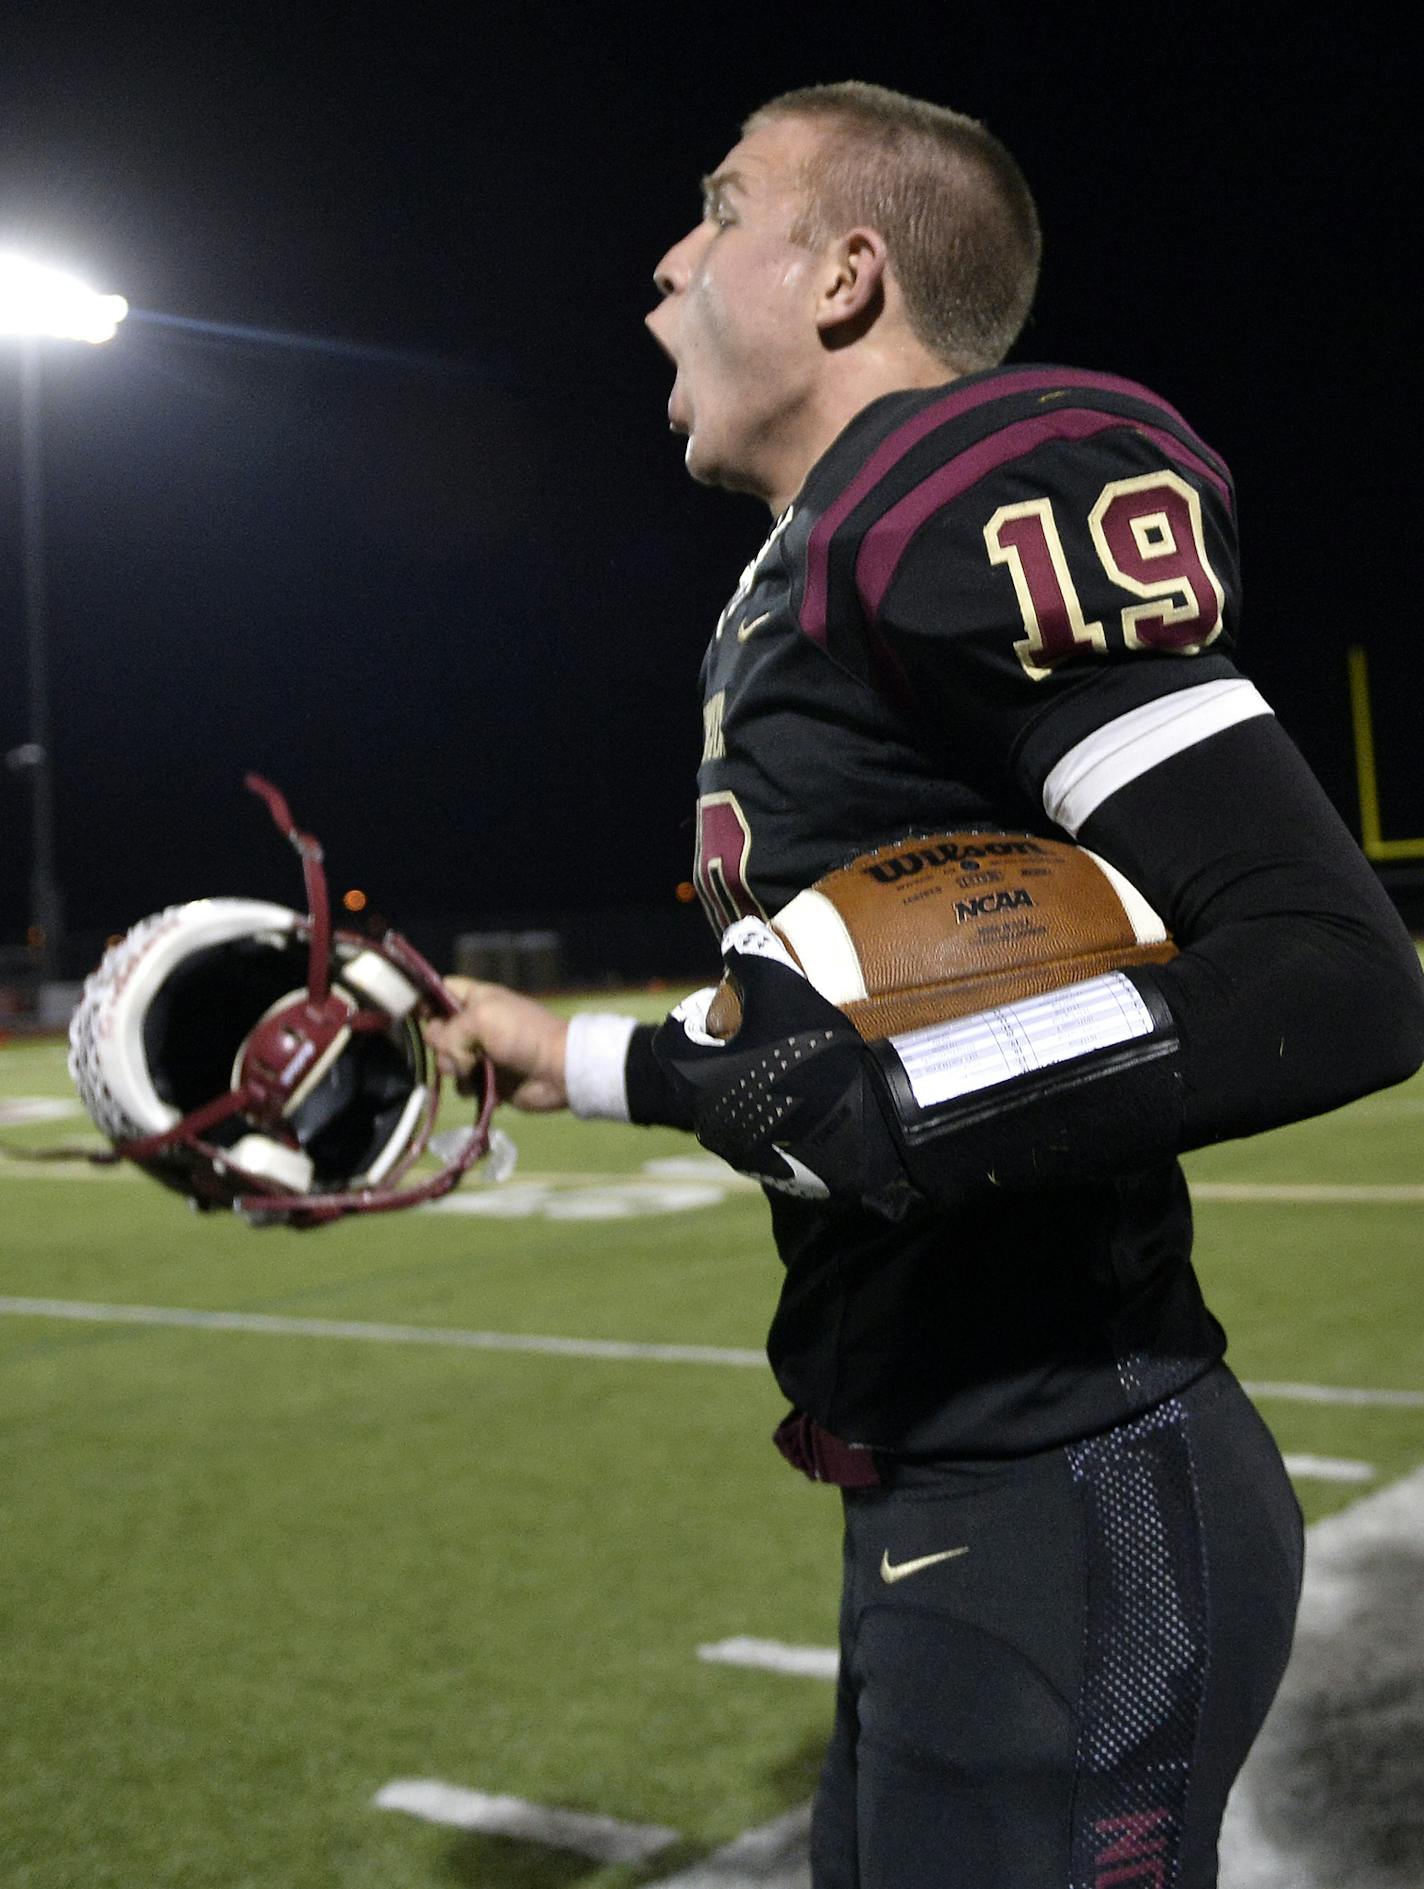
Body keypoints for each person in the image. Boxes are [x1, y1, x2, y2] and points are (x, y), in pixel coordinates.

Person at [425, 82, 1424, 1889]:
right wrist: (553, 1055)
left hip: (1080, 1482)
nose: (666, 257)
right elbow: (805, 1060)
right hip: (948, 1488)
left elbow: (1340, 968)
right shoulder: (798, 578)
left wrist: (905, 1104)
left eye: (723, 207)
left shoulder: (952, 502)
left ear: (845, 274)